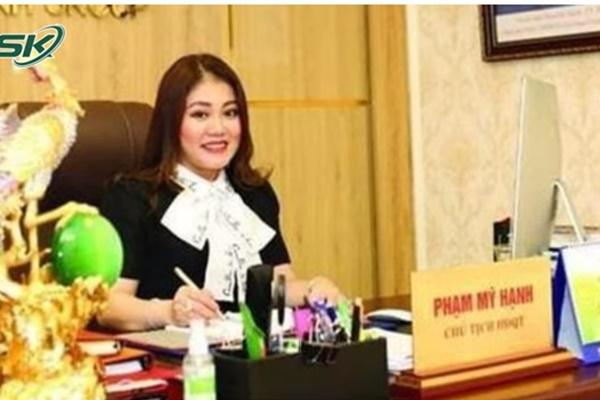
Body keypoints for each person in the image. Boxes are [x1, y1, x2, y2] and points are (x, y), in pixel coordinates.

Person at [98, 53, 341, 331]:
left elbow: (277, 285)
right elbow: (107, 306)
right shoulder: (132, 197)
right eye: (200, 114)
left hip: (248, 348)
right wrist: (168, 312)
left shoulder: (254, 192)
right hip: (175, 351)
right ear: (171, 122)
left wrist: (312, 290)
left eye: (230, 113)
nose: (219, 128)